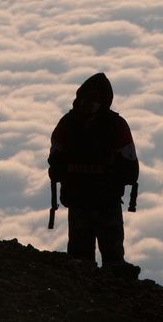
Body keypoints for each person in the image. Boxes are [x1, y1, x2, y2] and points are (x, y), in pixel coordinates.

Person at [48, 73, 140, 272]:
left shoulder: (68, 123)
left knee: (86, 259)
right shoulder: (116, 125)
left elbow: (55, 161)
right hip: (97, 200)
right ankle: (109, 290)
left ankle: (88, 290)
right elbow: (130, 166)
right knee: (102, 259)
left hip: (91, 199)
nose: (88, 104)